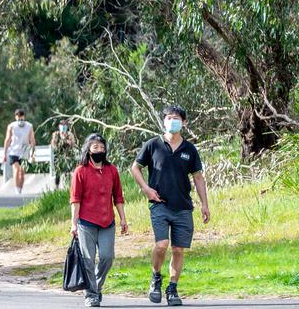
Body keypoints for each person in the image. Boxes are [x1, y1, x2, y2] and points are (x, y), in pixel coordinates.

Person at [130, 105, 210, 307]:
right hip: (160, 205)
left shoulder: (190, 149)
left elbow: (198, 178)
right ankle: (156, 277)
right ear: (163, 121)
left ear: (184, 122)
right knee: (161, 245)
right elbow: (135, 168)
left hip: (183, 206)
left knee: (178, 250)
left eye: (176, 118)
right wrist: (146, 189)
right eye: (168, 118)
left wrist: (204, 205)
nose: (171, 121)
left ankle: (172, 288)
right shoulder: (152, 145)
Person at [70, 133, 128, 307]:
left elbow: (118, 197)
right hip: (86, 223)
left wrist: (123, 219)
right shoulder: (81, 171)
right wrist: (73, 223)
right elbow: (75, 200)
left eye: (102, 148)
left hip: (107, 223)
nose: (99, 151)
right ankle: (91, 295)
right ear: (88, 150)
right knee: (88, 260)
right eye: (96, 147)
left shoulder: (112, 170)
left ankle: (94, 287)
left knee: (107, 258)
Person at [3, 109, 36, 194]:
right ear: (15, 117)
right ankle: (16, 190)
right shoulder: (11, 126)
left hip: (24, 152)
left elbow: (32, 139)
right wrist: (4, 153)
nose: (20, 120)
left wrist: (32, 153)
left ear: (24, 117)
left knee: (22, 172)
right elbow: (7, 139)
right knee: (16, 169)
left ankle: (20, 189)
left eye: (22, 118)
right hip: (13, 151)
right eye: (18, 118)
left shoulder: (29, 126)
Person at [51, 119, 78, 188]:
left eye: (65, 126)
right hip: (59, 155)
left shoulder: (69, 134)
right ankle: (56, 187)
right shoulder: (56, 134)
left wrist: (68, 141)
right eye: (62, 126)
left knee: (68, 172)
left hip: (68, 156)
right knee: (58, 172)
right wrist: (61, 141)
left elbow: (73, 144)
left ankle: (68, 187)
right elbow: (53, 145)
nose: (63, 128)